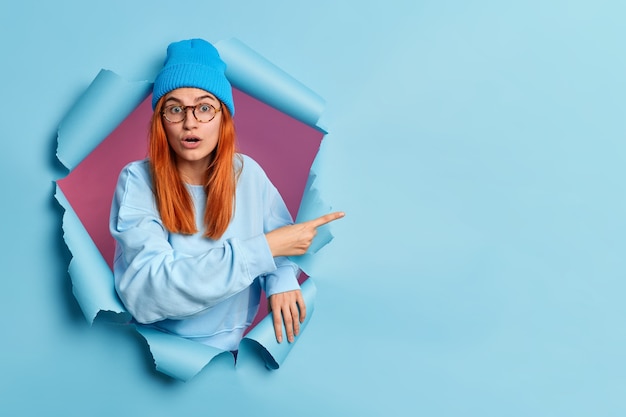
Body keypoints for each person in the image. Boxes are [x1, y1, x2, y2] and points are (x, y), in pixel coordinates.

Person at [109, 38, 343, 353]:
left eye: (204, 107)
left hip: (233, 354)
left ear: (224, 118)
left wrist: (282, 280)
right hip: (156, 349)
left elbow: (283, 245)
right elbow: (151, 293)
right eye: (175, 109)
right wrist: (265, 249)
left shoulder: (248, 175)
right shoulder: (138, 181)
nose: (190, 122)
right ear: (160, 122)